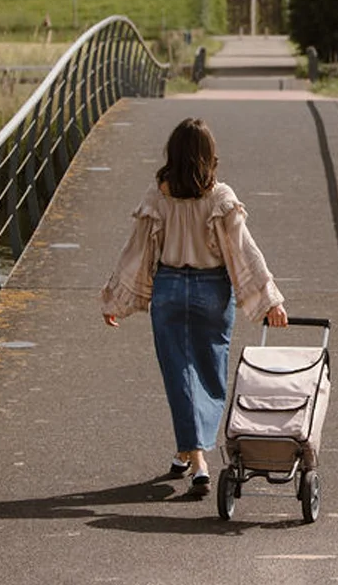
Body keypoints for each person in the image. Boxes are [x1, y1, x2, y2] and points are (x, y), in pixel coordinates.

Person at [100, 117, 287, 491]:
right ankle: (196, 454)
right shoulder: (221, 198)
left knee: (179, 374)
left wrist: (114, 298)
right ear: (208, 156)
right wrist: (270, 300)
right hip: (211, 292)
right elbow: (244, 253)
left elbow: (136, 251)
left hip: (169, 290)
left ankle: (191, 454)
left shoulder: (157, 197)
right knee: (209, 373)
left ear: (172, 154)